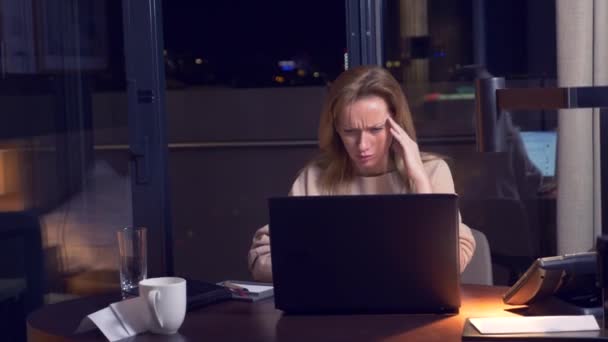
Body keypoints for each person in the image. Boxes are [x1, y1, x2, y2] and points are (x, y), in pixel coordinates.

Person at [248, 65, 476, 282]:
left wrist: (419, 181)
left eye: (375, 129)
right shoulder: (314, 178)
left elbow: (445, 264)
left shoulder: (431, 172)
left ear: (395, 124)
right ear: (336, 129)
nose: (362, 145)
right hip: (334, 314)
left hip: (413, 316)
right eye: (350, 131)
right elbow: (261, 260)